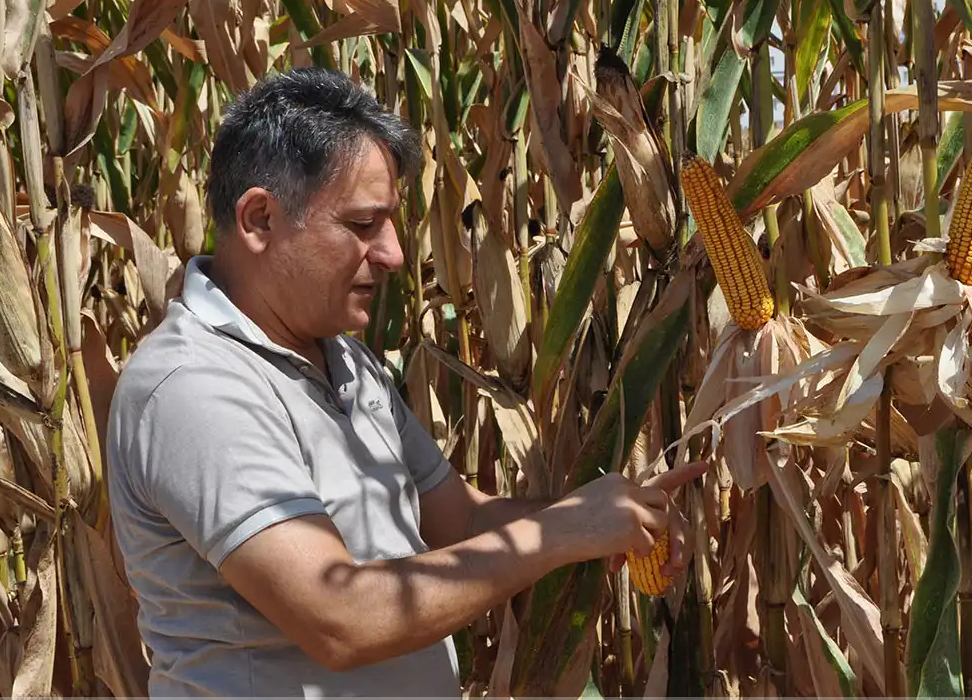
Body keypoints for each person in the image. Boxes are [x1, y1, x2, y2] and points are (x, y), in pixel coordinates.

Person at [106, 67, 707, 698]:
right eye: (363, 226)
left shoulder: (345, 360)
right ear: (259, 219)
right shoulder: (193, 387)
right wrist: (559, 533)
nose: (393, 253)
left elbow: (457, 520)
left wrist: (604, 517)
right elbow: (337, 619)